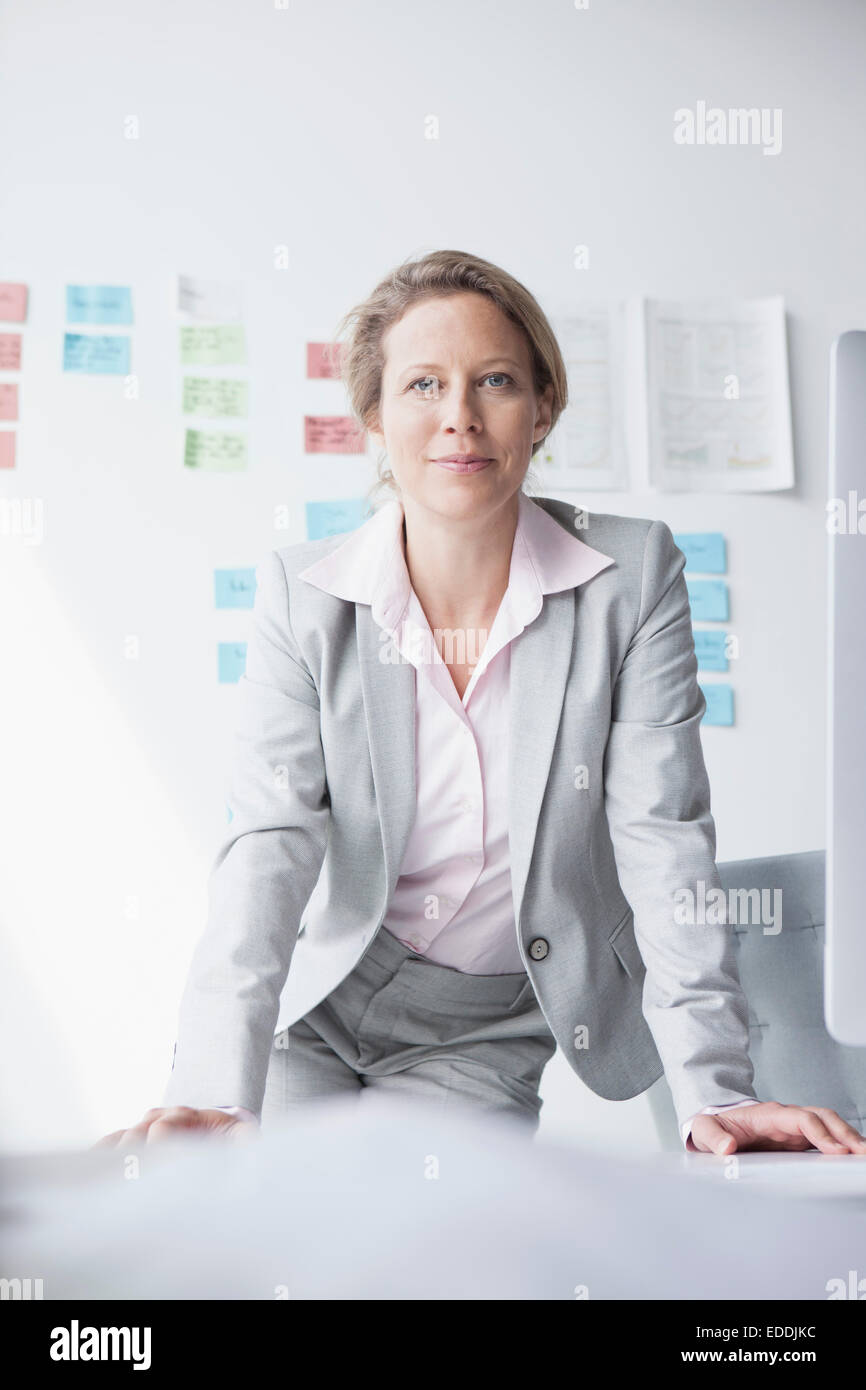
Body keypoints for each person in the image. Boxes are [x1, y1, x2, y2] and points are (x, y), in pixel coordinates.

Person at [98, 250, 866, 1158]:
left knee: (432, 1257)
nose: (458, 416)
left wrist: (717, 1091)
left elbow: (662, 838)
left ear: (542, 407)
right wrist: (215, 1091)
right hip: (316, 1001)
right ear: (375, 417)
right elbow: (270, 842)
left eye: (494, 381)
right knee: (277, 1247)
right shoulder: (305, 594)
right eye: (423, 384)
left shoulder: (632, 578)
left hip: (484, 1028)